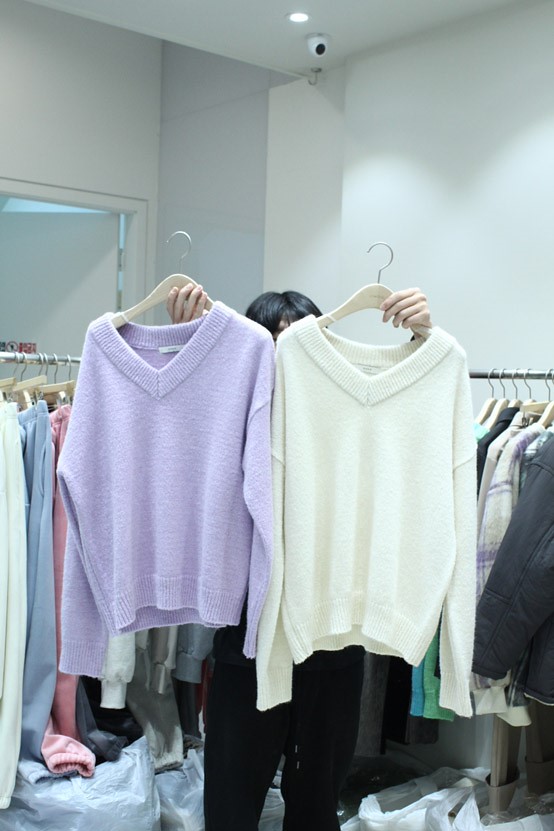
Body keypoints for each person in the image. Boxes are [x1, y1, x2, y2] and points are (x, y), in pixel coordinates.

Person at [166, 283, 432, 831]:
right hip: (248, 640)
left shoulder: (346, 415)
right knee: (231, 804)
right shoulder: (233, 415)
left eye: (301, 344)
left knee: (316, 806)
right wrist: (193, 337)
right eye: (272, 345)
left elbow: (406, 412)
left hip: (332, 641)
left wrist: (421, 337)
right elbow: (184, 419)